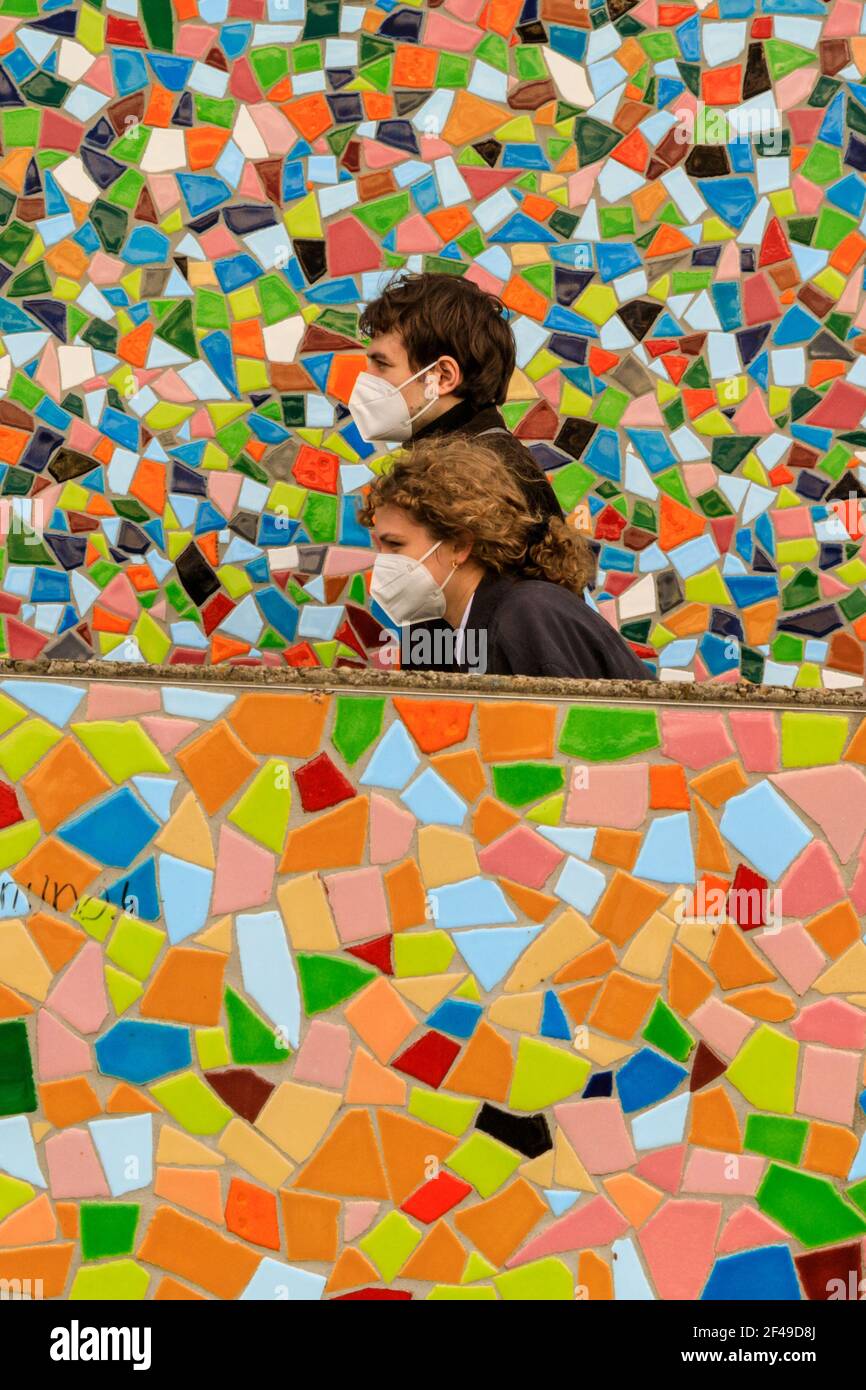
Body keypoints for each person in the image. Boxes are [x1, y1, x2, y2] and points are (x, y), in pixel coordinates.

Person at [358, 438, 651, 681]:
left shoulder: (526, 615)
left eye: (395, 545)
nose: (382, 562)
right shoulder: (471, 627)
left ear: (460, 545)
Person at [349, 270, 565, 527]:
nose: (366, 379)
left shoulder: (477, 481)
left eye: (382, 365)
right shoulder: (475, 460)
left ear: (442, 377)